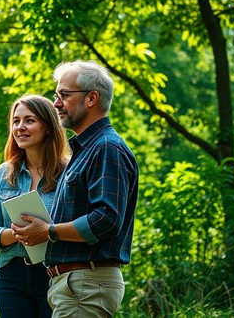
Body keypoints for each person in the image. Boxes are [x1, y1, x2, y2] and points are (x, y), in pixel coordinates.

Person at [12, 60, 139, 317]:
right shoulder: (86, 149)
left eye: (64, 95)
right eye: (56, 95)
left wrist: (49, 232)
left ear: (92, 98)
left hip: (85, 283)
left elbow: (106, 219)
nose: (56, 103)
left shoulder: (106, 148)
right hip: (76, 285)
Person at [0, 94, 69, 318]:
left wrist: (46, 232)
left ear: (48, 127)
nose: (20, 127)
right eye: (16, 121)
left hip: (56, 273)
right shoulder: (4, 173)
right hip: (11, 275)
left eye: (29, 120)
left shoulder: (69, 172)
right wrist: (17, 234)